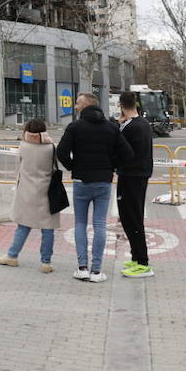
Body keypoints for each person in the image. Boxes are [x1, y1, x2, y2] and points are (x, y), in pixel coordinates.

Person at [56, 91, 132, 283]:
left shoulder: (75, 127)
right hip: (104, 181)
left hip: (81, 181)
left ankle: (82, 268)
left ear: (86, 105)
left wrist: (74, 167)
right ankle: (97, 271)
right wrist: (113, 167)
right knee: (99, 224)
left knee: (80, 223)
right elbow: (128, 154)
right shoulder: (111, 127)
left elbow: (62, 152)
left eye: (78, 103)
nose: (75, 106)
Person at [0, 119, 61, 272]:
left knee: (23, 225)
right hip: (47, 191)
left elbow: (20, 166)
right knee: (47, 228)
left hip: (26, 190)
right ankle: (46, 262)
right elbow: (54, 167)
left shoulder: (23, 146)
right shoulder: (50, 147)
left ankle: (12, 256)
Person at [115, 91, 155, 279]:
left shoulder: (130, 127)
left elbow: (123, 151)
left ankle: (142, 263)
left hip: (130, 176)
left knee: (131, 218)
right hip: (139, 175)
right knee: (133, 217)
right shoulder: (143, 124)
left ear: (121, 106)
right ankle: (137, 256)